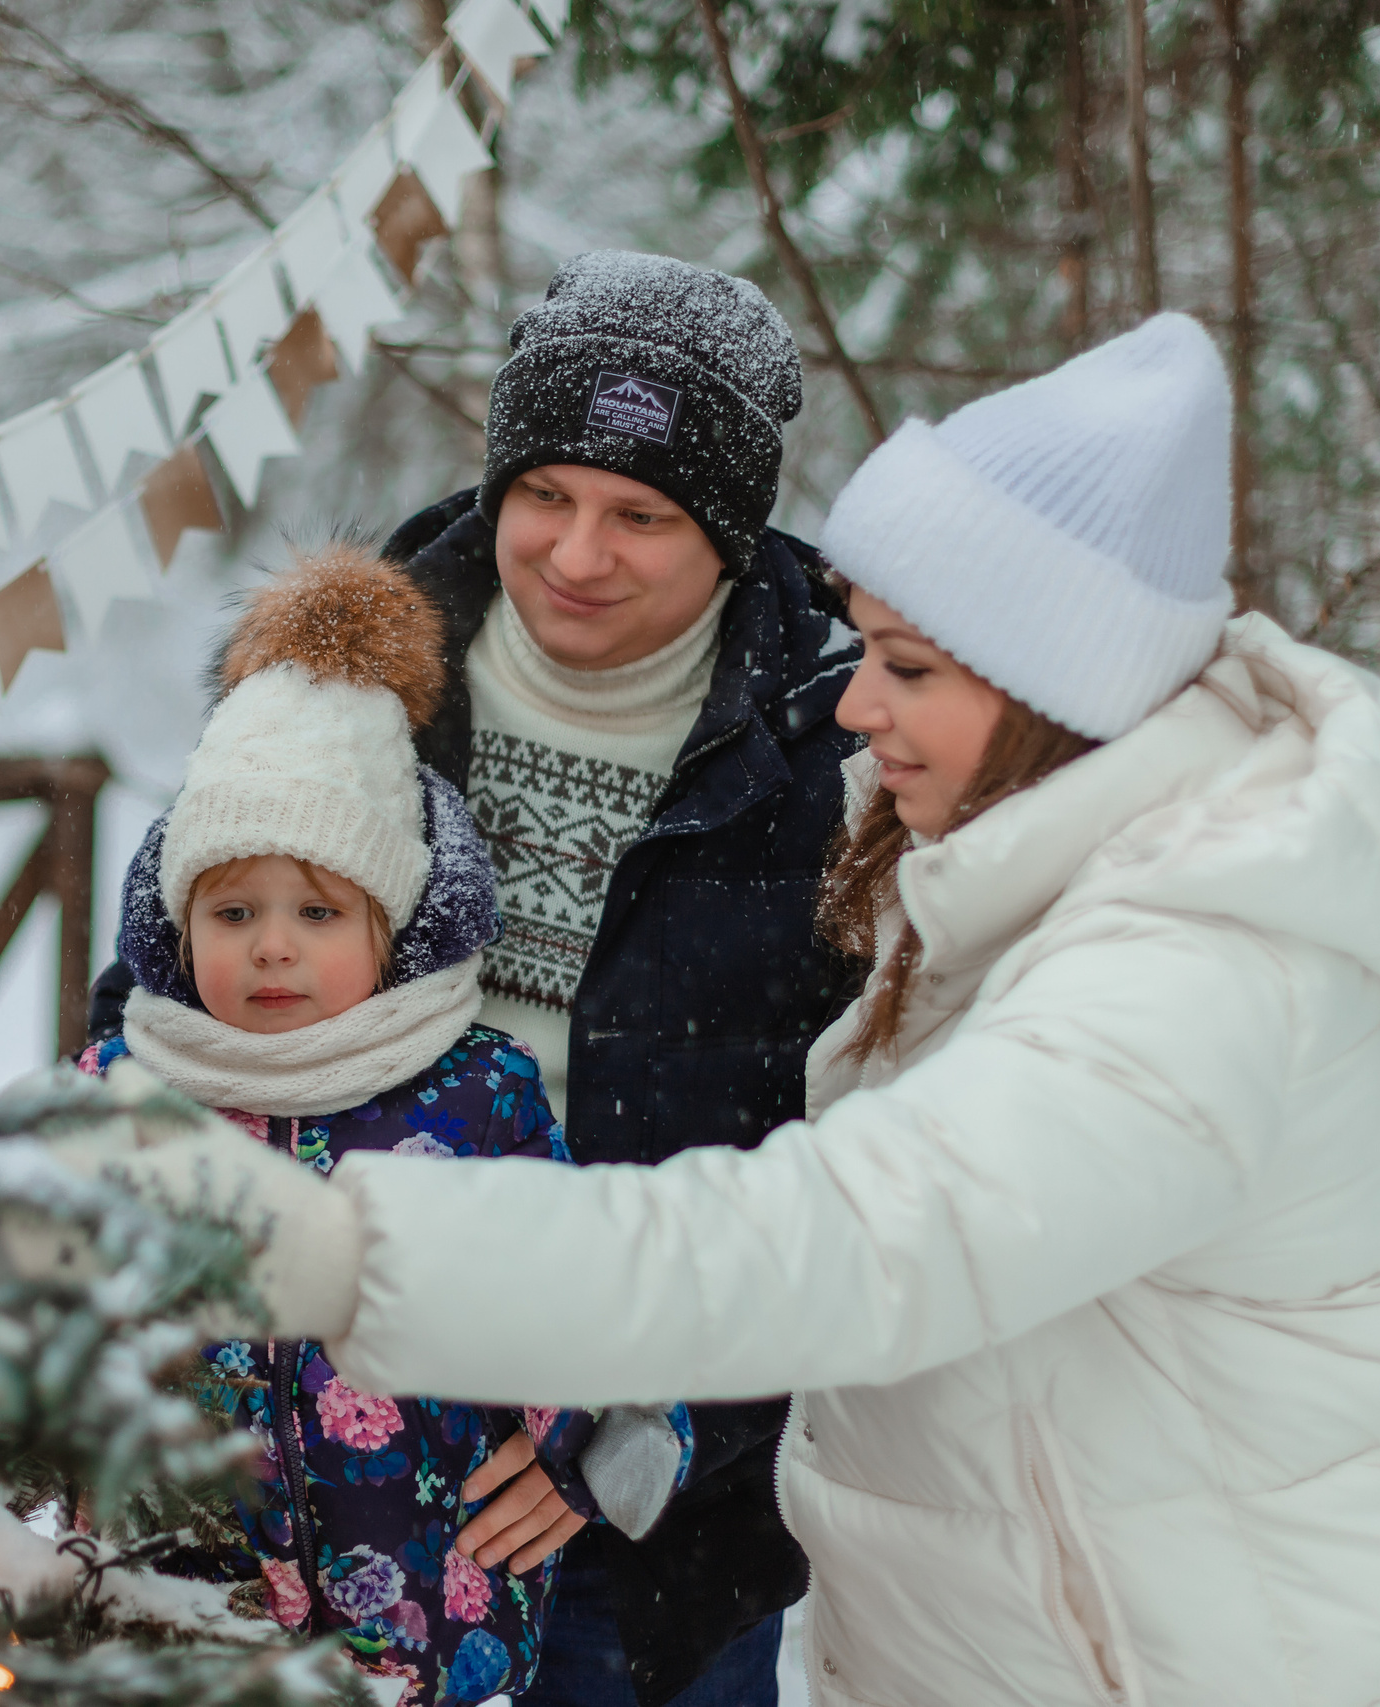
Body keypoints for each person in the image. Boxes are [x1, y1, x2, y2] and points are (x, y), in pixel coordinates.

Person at [84, 314, 1380, 1702]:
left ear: (1050, 690)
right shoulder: (990, 882)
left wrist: (342, 1252)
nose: (852, 698)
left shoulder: (1198, 969)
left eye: (908, 665)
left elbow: (847, 1240)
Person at [91, 250, 865, 1706]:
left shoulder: (829, 765)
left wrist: (670, 1421)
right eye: (546, 495)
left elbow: (870, 1166)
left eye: (641, 514)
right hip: (293, 1455)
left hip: (644, 1527)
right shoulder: (349, 680)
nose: (578, 553)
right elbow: (151, 1003)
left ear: (732, 532)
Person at [79, 542, 645, 1707]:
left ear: (394, 925)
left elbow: (576, 1277)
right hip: (175, 1609)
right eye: (231, 909)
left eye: (319, 910)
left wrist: (582, 1437)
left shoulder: (472, 1093)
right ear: (178, 924)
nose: (272, 945)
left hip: (422, 1617)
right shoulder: (123, 1094)